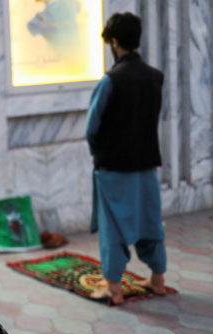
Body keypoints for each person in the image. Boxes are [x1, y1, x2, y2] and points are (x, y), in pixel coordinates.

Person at [86, 12, 166, 305]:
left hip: (114, 167)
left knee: (114, 227)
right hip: (146, 164)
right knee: (150, 221)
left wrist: (99, 154)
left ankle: (114, 288)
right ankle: (158, 280)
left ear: (115, 42)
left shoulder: (111, 80)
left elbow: (92, 127)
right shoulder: (156, 76)